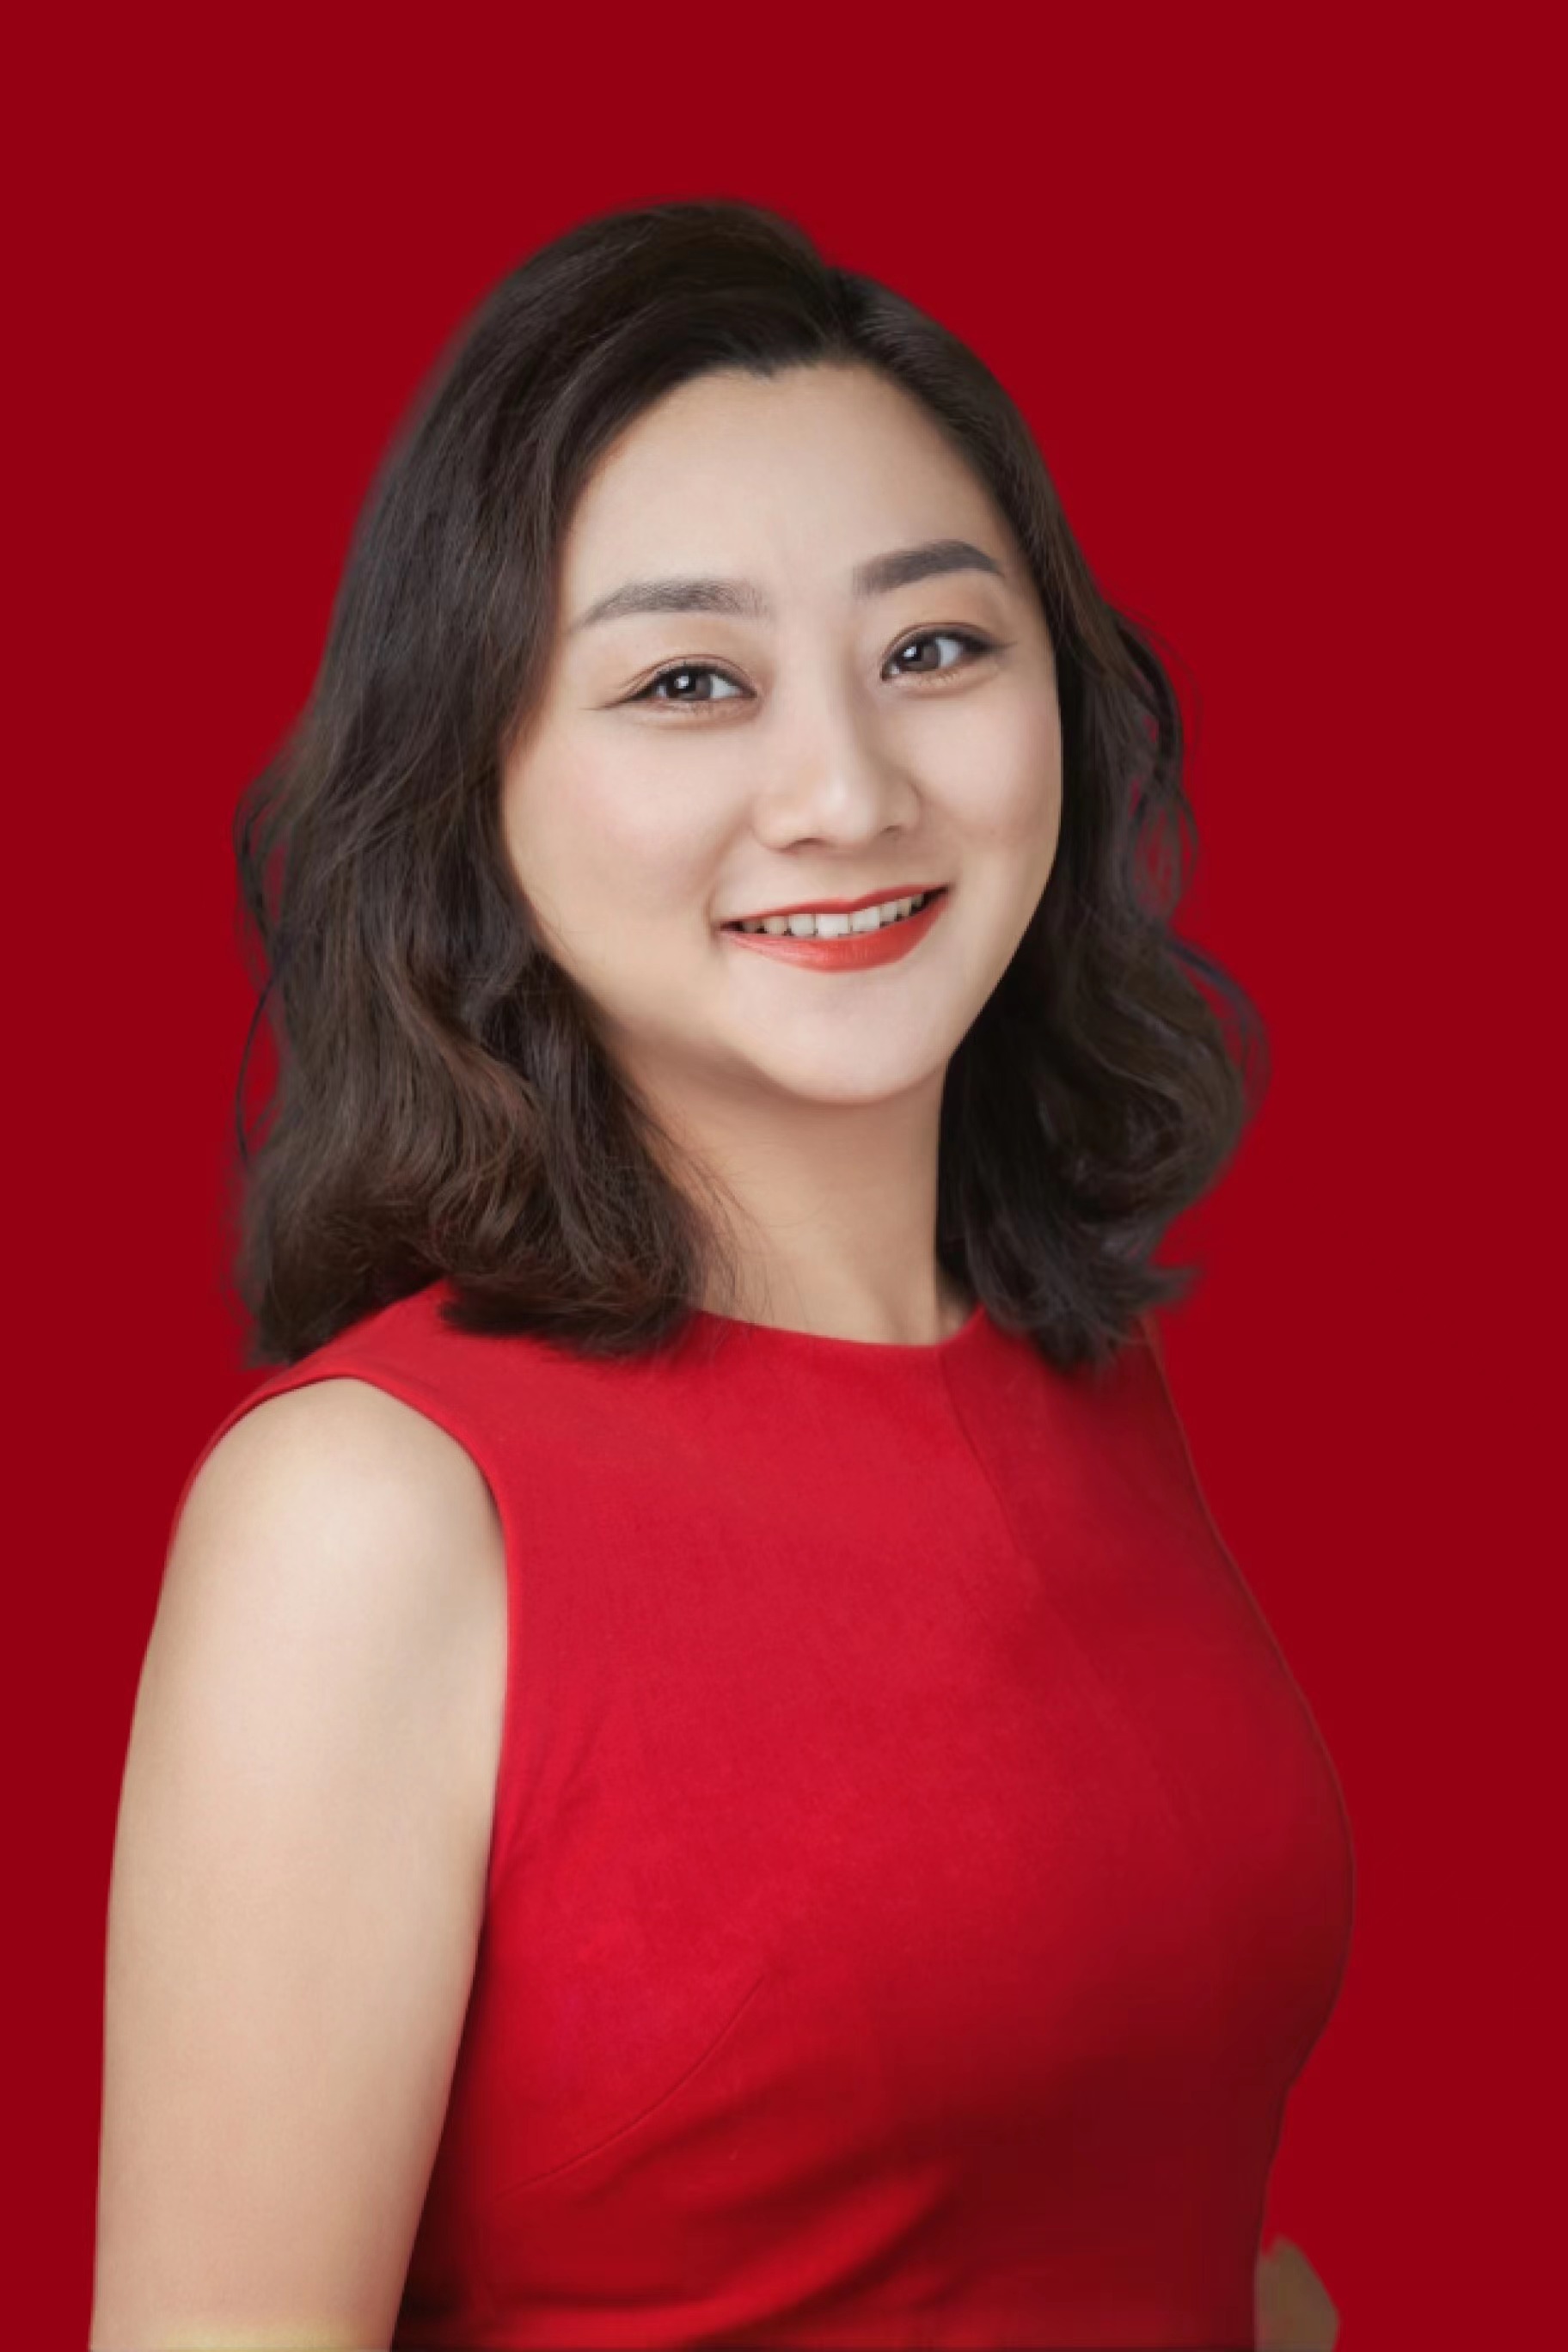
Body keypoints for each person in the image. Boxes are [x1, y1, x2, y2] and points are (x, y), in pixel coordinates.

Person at [90, 198, 1351, 2351]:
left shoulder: (1078, 1373)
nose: (847, 790)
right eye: (689, 682)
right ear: (476, 785)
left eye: (935, 649)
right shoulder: (372, 1518)